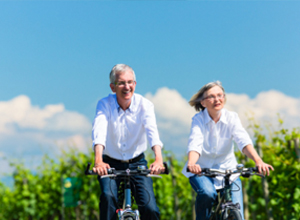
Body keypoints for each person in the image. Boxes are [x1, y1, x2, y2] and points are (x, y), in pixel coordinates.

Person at [182, 81, 274, 220]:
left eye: (220, 95)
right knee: (207, 194)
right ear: (203, 103)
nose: (217, 99)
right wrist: (192, 163)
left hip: (229, 171)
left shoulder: (232, 118)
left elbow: (243, 141)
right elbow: (195, 142)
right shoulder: (198, 120)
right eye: (211, 97)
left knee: (237, 212)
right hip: (202, 171)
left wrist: (258, 161)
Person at [91, 64, 165, 220]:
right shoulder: (104, 105)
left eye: (130, 82)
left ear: (135, 84)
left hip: (137, 162)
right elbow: (99, 131)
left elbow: (152, 132)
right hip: (110, 163)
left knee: (150, 208)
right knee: (108, 199)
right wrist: (98, 161)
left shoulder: (145, 105)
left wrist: (159, 160)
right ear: (113, 87)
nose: (127, 87)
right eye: (121, 83)